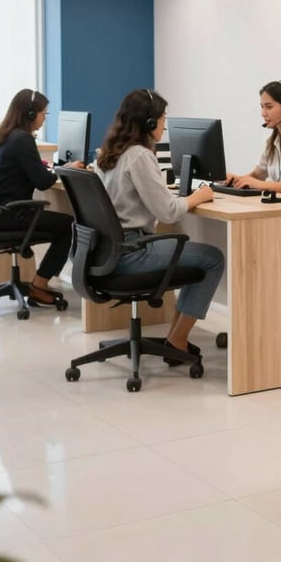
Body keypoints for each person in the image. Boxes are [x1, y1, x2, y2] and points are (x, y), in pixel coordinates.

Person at [95, 89, 224, 362]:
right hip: (132, 252)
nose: (165, 126)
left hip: (107, 252)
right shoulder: (139, 156)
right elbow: (168, 212)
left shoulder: (108, 154)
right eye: (163, 119)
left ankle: (175, 337)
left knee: (192, 253)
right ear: (150, 122)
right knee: (212, 259)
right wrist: (198, 196)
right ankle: (177, 341)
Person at [0, 88, 83, 307]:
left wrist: (51, 169)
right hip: (12, 214)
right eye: (43, 113)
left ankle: (41, 282)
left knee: (64, 222)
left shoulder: (6, 135)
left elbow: (29, 173)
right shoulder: (22, 139)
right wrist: (65, 169)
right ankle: (39, 286)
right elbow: (43, 182)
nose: (44, 118)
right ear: (30, 114)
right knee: (70, 226)